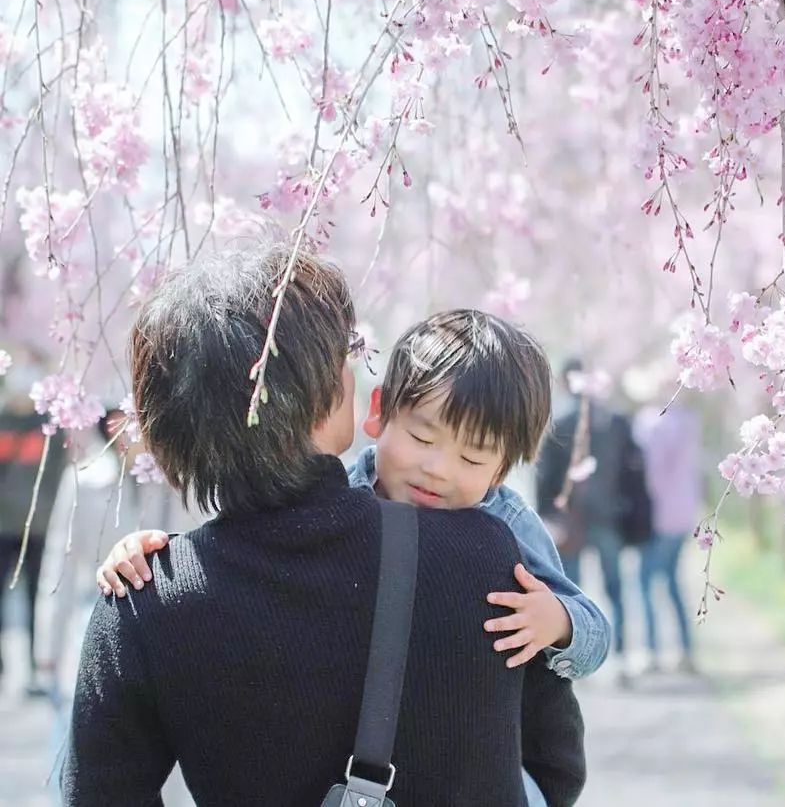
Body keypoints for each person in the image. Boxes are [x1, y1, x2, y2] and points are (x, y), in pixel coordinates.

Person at [65, 245, 586, 806]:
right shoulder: (481, 553)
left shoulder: (142, 599)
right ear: (329, 394)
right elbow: (555, 764)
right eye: (345, 354)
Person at [536, 359, 639, 668]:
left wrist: (547, 515)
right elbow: (631, 470)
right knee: (614, 588)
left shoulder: (561, 423)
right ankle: (620, 654)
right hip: (608, 515)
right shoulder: (613, 421)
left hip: (572, 519)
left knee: (571, 593)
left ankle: (571, 657)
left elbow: (545, 476)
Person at [0, 377, 66, 693]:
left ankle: (35, 665)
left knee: (35, 597)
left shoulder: (48, 425)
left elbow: (57, 474)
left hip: (38, 527)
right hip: (2, 526)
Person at [633, 400, 703, 674]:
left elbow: (652, 475)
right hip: (684, 514)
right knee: (673, 582)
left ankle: (652, 652)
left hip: (659, 516)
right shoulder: (689, 423)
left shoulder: (651, 423)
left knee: (645, 583)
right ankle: (686, 650)